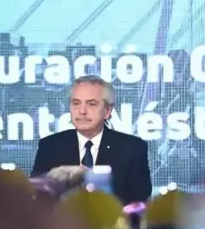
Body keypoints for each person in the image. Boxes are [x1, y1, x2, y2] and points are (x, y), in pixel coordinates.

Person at [31, 75, 152, 204]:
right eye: (76, 103)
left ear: (107, 111)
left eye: (91, 104)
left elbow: (139, 201)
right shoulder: (50, 146)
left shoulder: (132, 148)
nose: (82, 111)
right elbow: (37, 197)